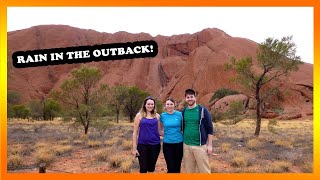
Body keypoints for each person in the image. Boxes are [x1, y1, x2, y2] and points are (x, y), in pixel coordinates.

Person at [182, 89, 214, 173]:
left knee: (205, 171)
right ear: (185, 99)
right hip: (186, 146)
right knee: (190, 171)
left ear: (195, 98)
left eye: (191, 97)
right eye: (188, 97)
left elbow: (210, 128)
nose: (190, 99)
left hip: (200, 146)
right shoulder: (183, 111)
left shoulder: (203, 110)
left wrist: (210, 145)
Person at [132, 96, 161, 173]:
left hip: (155, 145)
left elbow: (159, 131)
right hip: (142, 145)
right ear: (145, 105)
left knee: (151, 168)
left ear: (154, 105)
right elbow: (135, 132)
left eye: (152, 104)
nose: (150, 106)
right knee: (143, 169)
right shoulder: (139, 115)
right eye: (148, 104)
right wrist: (134, 149)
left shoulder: (157, 116)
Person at [159, 97, 183, 173]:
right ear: (165, 106)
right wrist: (165, 134)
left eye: (171, 104)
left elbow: (184, 126)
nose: (169, 106)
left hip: (179, 143)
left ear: (174, 105)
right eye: (167, 104)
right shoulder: (162, 116)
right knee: (170, 166)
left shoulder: (179, 114)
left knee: (177, 166)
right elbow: (160, 129)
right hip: (167, 144)